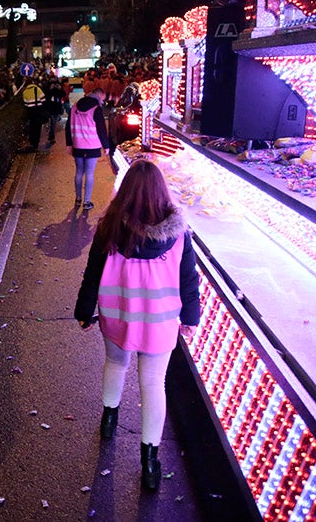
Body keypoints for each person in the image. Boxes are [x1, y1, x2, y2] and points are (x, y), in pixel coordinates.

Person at [73, 160, 200, 492]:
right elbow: (189, 280)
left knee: (115, 363)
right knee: (153, 384)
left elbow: (93, 273)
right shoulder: (179, 233)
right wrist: (191, 318)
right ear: (162, 192)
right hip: (160, 322)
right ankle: (149, 460)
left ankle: (109, 418)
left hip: (118, 314)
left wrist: (84, 311)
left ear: (125, 190)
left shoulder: (110, 227)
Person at [65, 87, 109, 211]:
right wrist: (106, 146)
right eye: (103, 99)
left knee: (79, 171)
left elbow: (68, 126)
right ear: (100, 96)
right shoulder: (96, 108)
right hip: (92, 145)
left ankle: (78, 199)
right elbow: (101, 129)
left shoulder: (75, 106)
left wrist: (69, 143)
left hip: (77, 144)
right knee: (89, 173)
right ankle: (87, 202)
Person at [21, 77, 46, 151]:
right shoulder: (37, 89)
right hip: (38, 110)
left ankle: (32, 142)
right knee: (38, 128)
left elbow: (25, 104)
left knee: (32, 127)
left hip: (31, 112)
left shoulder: (25, 92)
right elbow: (43, 99)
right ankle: (36, 144)